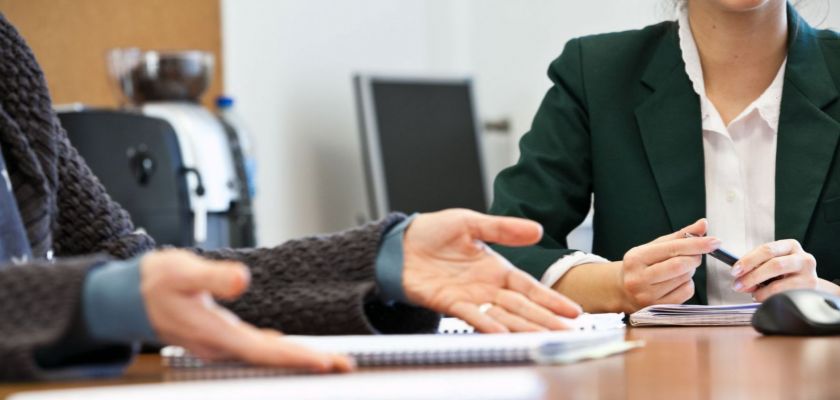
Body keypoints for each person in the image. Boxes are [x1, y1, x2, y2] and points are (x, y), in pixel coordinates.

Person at [0, 14, 582, 381]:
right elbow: (127, 286)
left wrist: (378, 258)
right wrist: (95, 298)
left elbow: (144, 274)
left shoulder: (8, 61)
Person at [490, 0, 840, 313]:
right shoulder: (595, 75)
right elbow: (502, 252)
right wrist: (617, 285)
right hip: (649, 376)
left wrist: (827, 296)